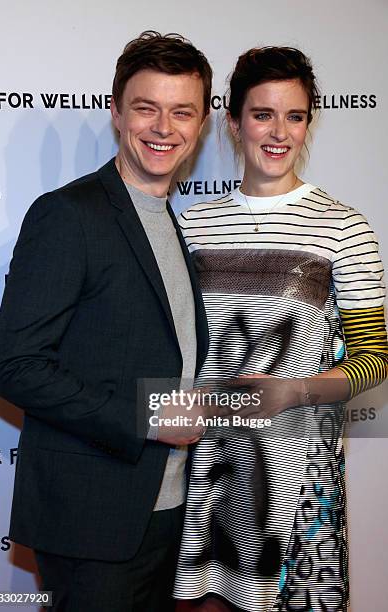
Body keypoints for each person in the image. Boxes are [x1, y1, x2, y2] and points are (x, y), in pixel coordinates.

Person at [0, 31, 214, 612]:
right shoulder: (68, 215)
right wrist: (149, 416)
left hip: (167, 513)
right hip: (93, 522)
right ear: (116, 112)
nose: (163, 127)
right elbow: (16, 368)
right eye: (146, 108)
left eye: (181, 111)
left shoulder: (170, 220)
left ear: (202, 123)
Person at [174, 47, 388, 611]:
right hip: (207, 467)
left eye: (294, 116)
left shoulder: (345, 226)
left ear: (309, 123)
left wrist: (296, 391)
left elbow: (377, 358)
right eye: (263, 114)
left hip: (299, 474)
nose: (278, 132)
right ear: (233, 121)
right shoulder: (191, 225)